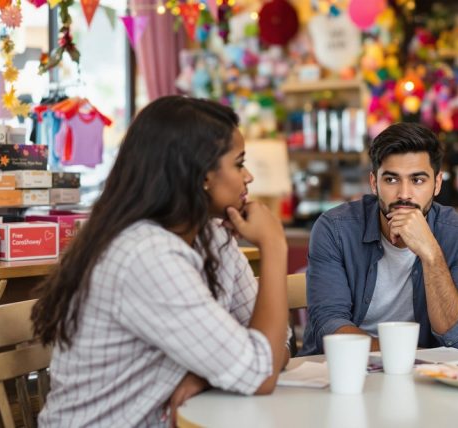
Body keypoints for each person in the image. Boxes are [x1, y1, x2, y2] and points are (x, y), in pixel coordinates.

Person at [32, 96, 290, 427]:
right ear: (202, 175)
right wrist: (273, 244)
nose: (249, 176)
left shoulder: (212, 236)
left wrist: (209, 375)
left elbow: (274, 347)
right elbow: (260, 372)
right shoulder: (148, 255)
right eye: (239, 164)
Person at [299, 122, 458, 355]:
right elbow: (330, 327)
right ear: (374, 183)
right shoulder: (334, 229)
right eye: (391, 180)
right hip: (341, 369)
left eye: (417, 180)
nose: (404, 194)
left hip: (421, 380)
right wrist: (403, 355)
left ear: (437, 184)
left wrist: (430, 253)